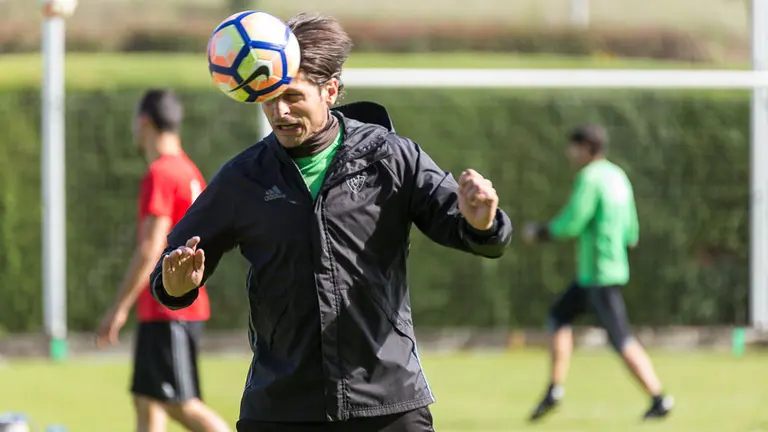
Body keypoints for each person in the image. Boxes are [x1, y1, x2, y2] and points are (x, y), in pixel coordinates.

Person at [147, 12, 513, 432]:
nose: (279, 112)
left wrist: (482, 220)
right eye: (269, 97)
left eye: (293, 97)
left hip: (388, 403)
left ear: (331, 91)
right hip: (282, 408)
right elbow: (170, 273)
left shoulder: (390, 157)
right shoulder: (243, 178)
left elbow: (477, 234)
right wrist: (176, 284)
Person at [96, 89, 231, 432]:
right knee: (148, 400)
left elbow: (150, 248)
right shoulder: (189, 169)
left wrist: (118, 308)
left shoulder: (161, 172)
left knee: (180, 404)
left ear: (143, 123)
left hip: (167, 308)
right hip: (177, 305)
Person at [522, 124, 674, 422]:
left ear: (586, 148)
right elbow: (632, 229)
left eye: (573, 147)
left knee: (621, 339)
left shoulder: (589, 178)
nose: (569, 153)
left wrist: (540, 232)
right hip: (604, 271)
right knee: (558, 317)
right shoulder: (618, 175)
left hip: (597, 276)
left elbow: (573, 221)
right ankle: (554, 388)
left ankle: (659, 397)